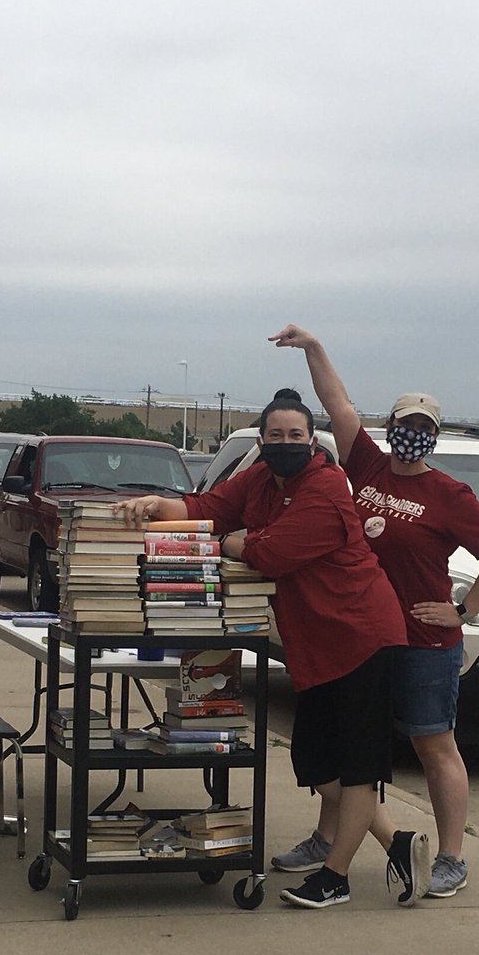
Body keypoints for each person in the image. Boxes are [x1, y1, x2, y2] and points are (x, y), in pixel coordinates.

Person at [115, 387, 431, 910]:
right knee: (314, 759)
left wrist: (235, 541)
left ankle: (336, 877)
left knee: (357, 768)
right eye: (276, 435)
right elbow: (209, 507)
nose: (286, 443)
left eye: (296, 436)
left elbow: (272, 554)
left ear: (312, 441)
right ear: (261, 440)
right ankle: (398, 844)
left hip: (362, 636)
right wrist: (158, 506)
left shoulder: (327, 488)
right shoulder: (260, 477)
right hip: (315, 644)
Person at [270, 325, 479, 897]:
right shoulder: (368, 468)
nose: (411, 435)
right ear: (390, 428)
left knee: (433, 745)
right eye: (403, 425)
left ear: (434, 436)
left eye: (422, 429)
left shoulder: (450, 495)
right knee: (349, 746)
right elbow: (336, 404)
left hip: (422, 644)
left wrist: (464, 609)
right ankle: (328, 838)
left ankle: (451, 855)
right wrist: (314, 350)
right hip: (360, 636)